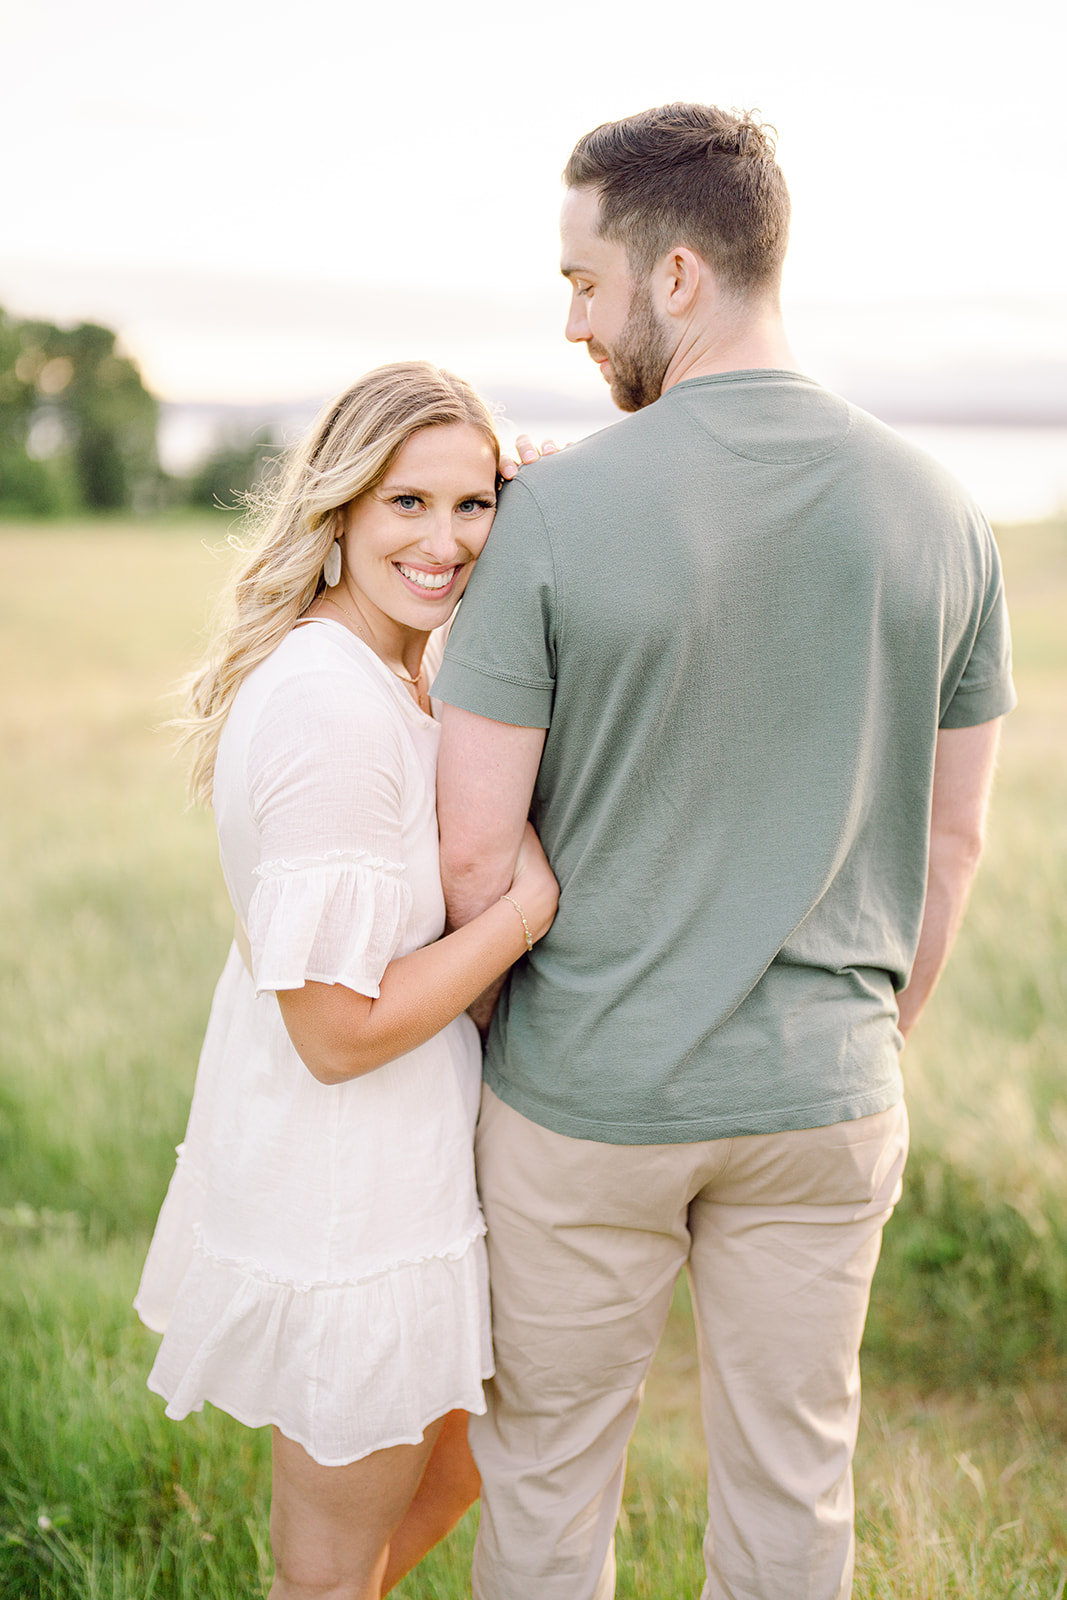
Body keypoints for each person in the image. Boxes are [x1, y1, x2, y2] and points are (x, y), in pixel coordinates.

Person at [433, 104, 1016, 1600]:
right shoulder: (946, 516)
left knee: (545, 1485)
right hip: (825, 1094)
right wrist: (857, 1040)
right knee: (791, 1499)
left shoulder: (550, 512)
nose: (571, 321)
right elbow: (953, 841)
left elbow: (473, 856)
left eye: (583, 281)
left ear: (677, 274)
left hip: (585, 1094)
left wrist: (514, 1053)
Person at [134, 361, 559, 1600]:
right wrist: (524, 913)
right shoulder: (328, 704)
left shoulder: (391, 669)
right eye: (405, 503)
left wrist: (552, 508)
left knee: (456, 1474)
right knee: (322, 1573)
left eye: (472, 505)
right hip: (349, 1202)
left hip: (401, 1177)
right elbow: (335, 1030)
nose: (444, 541)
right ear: (338, 508)